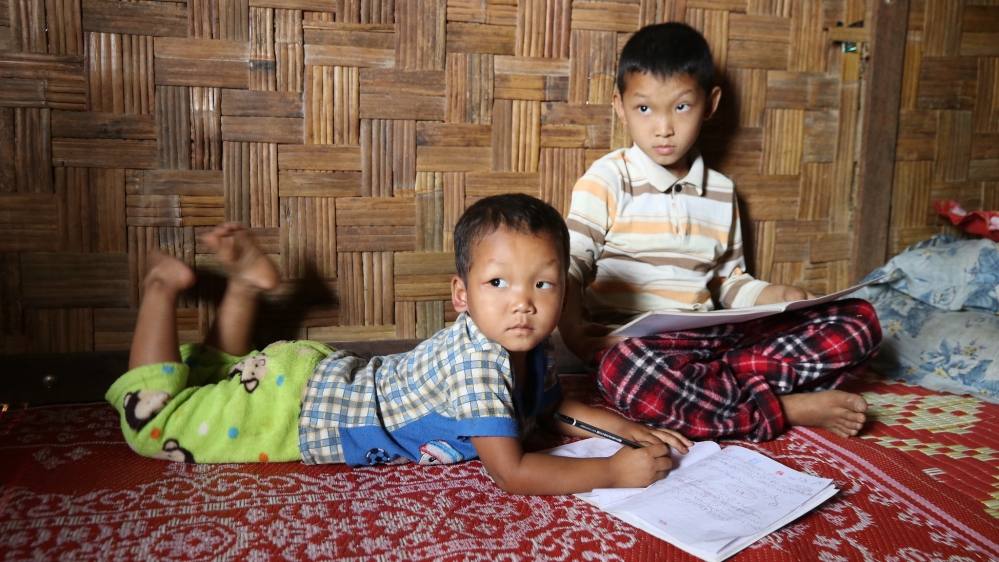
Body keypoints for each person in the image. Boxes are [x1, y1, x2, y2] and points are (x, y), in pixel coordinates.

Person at [106, 193, 693, 495]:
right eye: (498, 283)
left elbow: (552, 409)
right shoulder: (477, 363)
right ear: (461, 294)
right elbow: (512, 473)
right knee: (157, 422)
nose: (523, 302)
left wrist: (628, 432)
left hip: (315, 377)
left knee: (218, 374)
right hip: (295, 412)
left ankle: (242, 285)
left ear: (562, 290)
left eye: (542, 284)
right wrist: (613, 471)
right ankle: (161, 287)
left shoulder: (527, 345)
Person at [557, 23, 882, 442]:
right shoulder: (607, 179)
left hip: (714, 340)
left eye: (681, 107)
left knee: (859, 320)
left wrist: (775, 295)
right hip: (640, 348)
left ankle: (718, 390)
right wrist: (576, 335)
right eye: (644, 109)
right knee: (626, 372)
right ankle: (782, 408)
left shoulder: (722, 192)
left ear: (709, 104)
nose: (663, 127)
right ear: (620, 106)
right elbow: (570, 266)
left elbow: (729, 283)